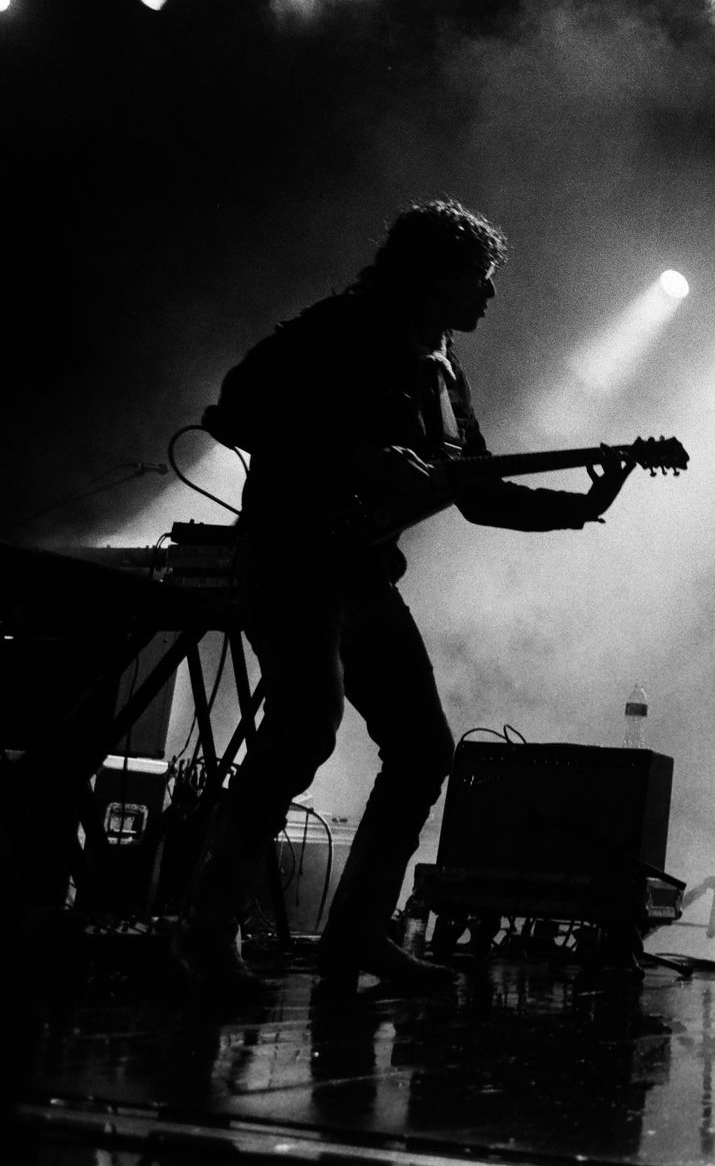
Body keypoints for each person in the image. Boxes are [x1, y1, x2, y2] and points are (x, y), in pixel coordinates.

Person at [173, 198, 640, 990]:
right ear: (431, 273)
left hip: (359, 574)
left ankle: (354, 936)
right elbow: (236, 404)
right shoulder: (343, 324)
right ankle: (206, 932)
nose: (489, 296)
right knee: (301, 732)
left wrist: (582, 506)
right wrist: (359, 454)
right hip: (292, 560)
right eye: (479, 280)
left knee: (423, 750)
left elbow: (478, 491)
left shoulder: (446, 370)